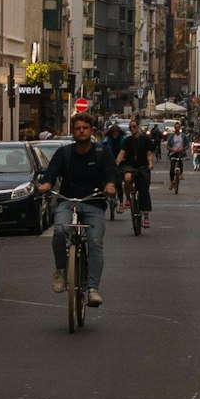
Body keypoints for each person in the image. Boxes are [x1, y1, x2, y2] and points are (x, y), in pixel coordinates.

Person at [37, 113, 117, 307]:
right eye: (77, 128)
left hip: (94, 202)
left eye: (85, 128)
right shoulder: (64, 153)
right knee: (59, 231)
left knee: (95, 241)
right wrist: (46, 184)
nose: (81, 131)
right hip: (68, 201)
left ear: (91, 131)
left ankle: (92, 289)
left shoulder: (102, 152)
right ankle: (61, 270)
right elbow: (51, 173)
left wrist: (111, 186)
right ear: (73, 132)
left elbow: (111, 174)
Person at [119, 119, 155, 227]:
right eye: (130, 127)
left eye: (134, 127)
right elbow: (122, 153)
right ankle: (128, 198)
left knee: (144, 189)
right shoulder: (127, 140)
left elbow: (149, 153)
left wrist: (150, 163)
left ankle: (146, 215)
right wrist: (116, 162)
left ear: (138, 126)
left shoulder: (145, 140)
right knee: (127, 178)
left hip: (142, 166)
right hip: (130, 165)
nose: (132, 129)